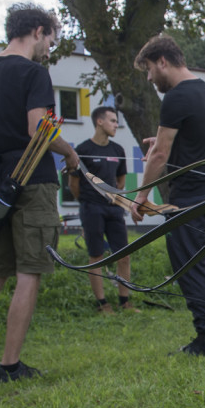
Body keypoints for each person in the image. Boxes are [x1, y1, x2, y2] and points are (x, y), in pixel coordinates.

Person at [0, 2, 80, 382]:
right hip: (33, 178)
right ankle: (10, 366)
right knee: (30, 270)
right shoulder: (33, 73)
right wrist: (72, 153)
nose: (49, 49)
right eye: (51, 40)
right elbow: (38, 129)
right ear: (39, 31)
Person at [131, 34, 205, 356]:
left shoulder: (175, 97)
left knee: (191, 267)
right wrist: (163, 142)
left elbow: (160, 154)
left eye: (148, 69)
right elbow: (194, 139)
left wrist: (141, 196)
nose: (148, 78)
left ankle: (204, 340)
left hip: (189, 198)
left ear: (163, 61)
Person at [68, 106, 140, 314]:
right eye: (112, 121)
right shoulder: (82, 150)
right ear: (99, 122)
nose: (116, 125)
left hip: (114, 209)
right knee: (97, 255)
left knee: (124, 255)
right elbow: (74, 185)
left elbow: (120, 181)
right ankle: (102, 304)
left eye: (116, 121)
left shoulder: (118, 150)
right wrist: (89, 202)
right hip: (91, 209)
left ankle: (124, 301)